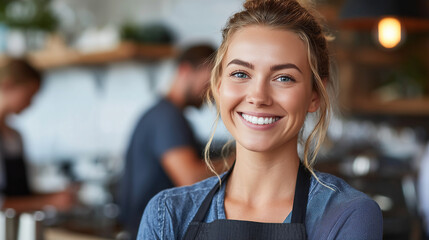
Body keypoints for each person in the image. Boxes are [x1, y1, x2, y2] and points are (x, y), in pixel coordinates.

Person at [138, 0, 383, 239]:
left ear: (314, 95)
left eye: (284, 78)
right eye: (241, 73)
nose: (258, 96)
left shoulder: (348, 215)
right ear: (219, 85)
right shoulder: (167, 213)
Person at [117, 44, 231, 239]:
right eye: (208, 80)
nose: (211, 90)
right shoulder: (167, 117)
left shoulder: (161, 113)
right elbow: (190, 178)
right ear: (185, 71)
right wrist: (240, 160)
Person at [0, 58, 73, 212]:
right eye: (30, 94)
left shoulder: (16, 136)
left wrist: (56, 197)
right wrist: (49, 201)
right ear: (8, 85)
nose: (31, 103)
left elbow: (21, 193)